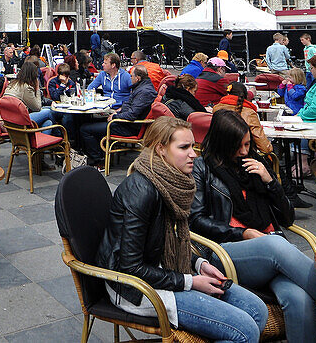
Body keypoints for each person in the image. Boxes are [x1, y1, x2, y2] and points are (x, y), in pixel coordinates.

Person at [192, 111, 316, 343]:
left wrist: (270, 181)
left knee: (299, 298)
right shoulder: (202, 168)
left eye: (247, 144)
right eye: (237, 146)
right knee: (275, 243)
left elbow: (287, 218)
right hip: (229, 252)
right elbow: (196, 220)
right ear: (222, 144)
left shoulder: (256, 165)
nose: (244, 151)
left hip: (274, 254)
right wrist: (243, 233)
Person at [96, 117, 268, 342]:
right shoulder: (141, 190)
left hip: (168, 271)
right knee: (245, 331)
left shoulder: (174, 181)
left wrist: (199, 264)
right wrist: (191, 282)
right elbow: (130, 267)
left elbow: (174, 240)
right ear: (161, 149)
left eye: (193, 146)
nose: (194, 154)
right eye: (184, 147)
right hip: (136, 289)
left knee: (258, 311)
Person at [81, 64, 156, 169]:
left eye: (132, 76)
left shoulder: (144, 92)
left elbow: (132, 114)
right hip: (127, 123)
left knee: (85, 129)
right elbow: (131, 107)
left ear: (138, 78)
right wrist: (118, 112)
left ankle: (99, 161)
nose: (130, 78)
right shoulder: (143, 88)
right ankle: (98, 156)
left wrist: (115, 116)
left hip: (130, 127)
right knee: (92, 122)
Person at [211, 81, 273, 156]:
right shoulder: (249, 113)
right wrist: (270, 148)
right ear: (246, 96)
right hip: (242, 156)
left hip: (218, 153)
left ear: (228, 94)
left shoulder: (216, 108)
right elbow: (264, 146)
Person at [6, 61, 54, 128]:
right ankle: (59, 132)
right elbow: (37, 108)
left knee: (48, 123)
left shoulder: (12, 84)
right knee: (49, 111)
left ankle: (40, 138)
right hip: (20, 121)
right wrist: (37, 89)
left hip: (9, 119)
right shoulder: (26, 87)